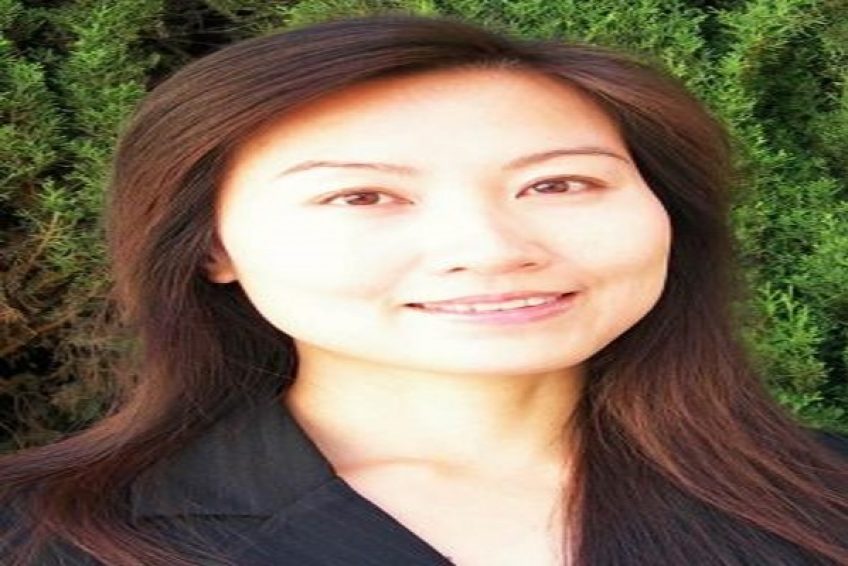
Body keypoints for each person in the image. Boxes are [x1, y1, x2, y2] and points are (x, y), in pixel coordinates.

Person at [1, 12, 846, 566]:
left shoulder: (822, 497)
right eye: (362, 197)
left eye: (559, 184)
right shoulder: (44, 535)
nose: (492, 249)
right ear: (211, 245)